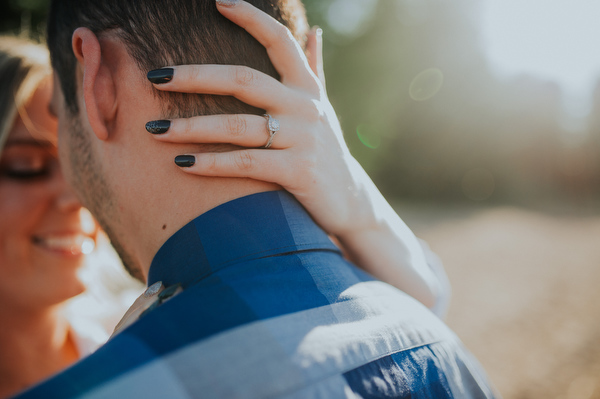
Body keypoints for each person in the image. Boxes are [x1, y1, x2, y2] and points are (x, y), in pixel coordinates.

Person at [15, 0, 497, 397]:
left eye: (60, 117)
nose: (69, 193)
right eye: (24, 167)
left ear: (96, 84)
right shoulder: (447, 355)